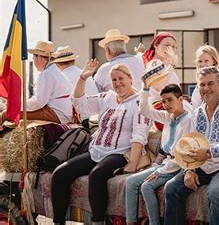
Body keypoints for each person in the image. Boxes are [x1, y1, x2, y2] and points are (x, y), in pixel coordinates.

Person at [51, 62, 150, 225]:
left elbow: (139, 135)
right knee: (60, 173)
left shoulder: (139, 103)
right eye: (114, 80)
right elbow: (78, 102)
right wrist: (82, 78)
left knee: (96, 174)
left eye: (121, 78)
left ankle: (98, 222)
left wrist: (132, 163)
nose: (118, 83)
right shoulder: (107, 97)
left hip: (120, 153)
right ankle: (58, 221)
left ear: (130, 78)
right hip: (96, 150)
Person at [164, 66, 219, 225]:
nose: (206, 88)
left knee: (215, 192)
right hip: (204, 166)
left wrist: (210, 152)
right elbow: (189, 144)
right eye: (202, 85)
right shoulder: (197, 113)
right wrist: (189, 169)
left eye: (210, 84)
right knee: (171, 188)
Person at [125, 82, 191, 225]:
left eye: (170, 100)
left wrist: (160, 171)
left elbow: (183, 156)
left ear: (180, 100)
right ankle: (130, 221)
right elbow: (144, 110)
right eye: (164, 101)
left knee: (146, 186)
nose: (166, 104)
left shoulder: (189, 121)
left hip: (177, 166)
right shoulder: (168, 117)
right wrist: (145, 88)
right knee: (130, 182)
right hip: (164, 163)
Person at [0, 40, 73, 125]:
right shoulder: (54, 71)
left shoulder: (46, 74)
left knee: (8, 114)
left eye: (33, 57)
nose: (33, 61)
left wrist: (16, 105)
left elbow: (39, 102)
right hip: (62, 112)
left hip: (57, 113)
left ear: (39, 57)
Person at [54, 45, 98, 123]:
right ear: (74, 61)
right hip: (96, 119)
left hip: (80, 122)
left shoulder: (59, 78)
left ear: (57, 64)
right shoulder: (85, 73)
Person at [141, 32, 180, 101]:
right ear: (156, 45)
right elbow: (158, 86)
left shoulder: (165, 65)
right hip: (160, 107)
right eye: (167, 45)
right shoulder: (154, 63)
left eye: (173, 47)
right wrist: (172, 64)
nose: (170, 49)